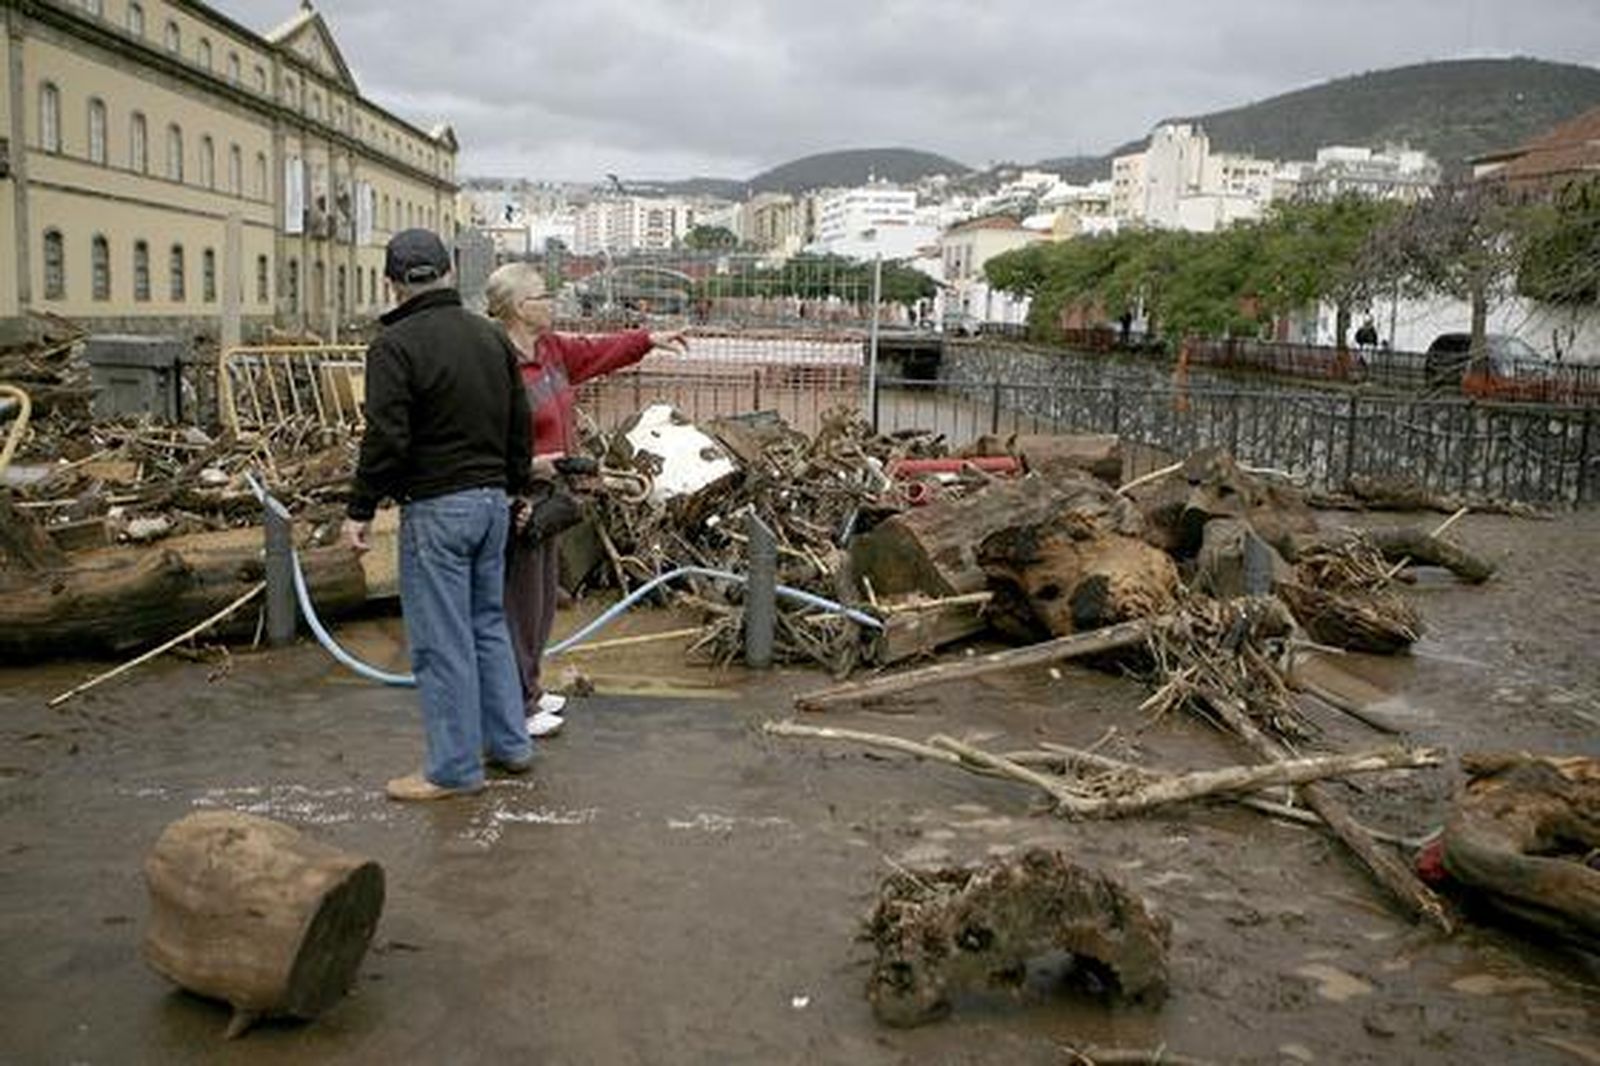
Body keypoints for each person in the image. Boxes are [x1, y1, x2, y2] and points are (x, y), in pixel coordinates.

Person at [342, 230, 534, 801]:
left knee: (440, 641)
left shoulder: (394, 346)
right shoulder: (489, 336)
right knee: (487, 626)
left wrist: (360, 507)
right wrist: (514, 489)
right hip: (491, 504)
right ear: (449, 271)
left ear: (392, 281)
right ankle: (510, 745)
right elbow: (517, 423)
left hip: (437, 509)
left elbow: (387, 438)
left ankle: (453, 769)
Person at [484, 262, 686, 736]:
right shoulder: (497, 362)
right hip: (520, 495)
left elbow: (596, 351)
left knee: (544, 600)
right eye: (542, 295)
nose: (552, 302)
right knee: (518, 602)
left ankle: (529, 685)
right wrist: (533, 464)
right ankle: (517, 703)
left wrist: (646, 341)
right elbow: (488, 434)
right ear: (517, 306)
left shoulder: (551, 350)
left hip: (554, 492)